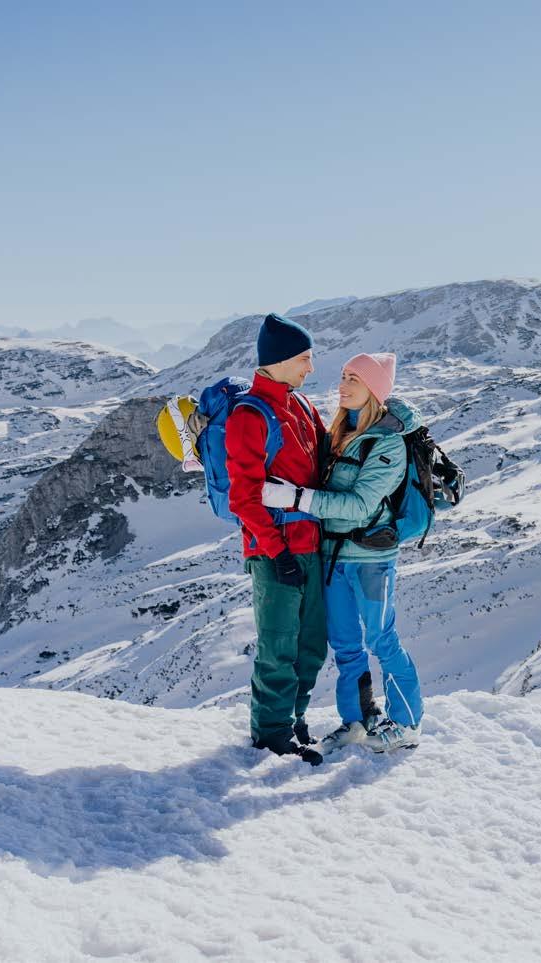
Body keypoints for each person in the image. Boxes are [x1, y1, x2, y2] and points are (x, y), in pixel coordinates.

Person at [261, 351, 424, 754]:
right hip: (333, 556)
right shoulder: (338, 434)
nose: (343, 385)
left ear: (374, 389)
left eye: (354, 378)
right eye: (344, 375)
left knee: (382, 640)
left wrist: (296, 498)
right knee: (346, 645)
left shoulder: (387, 444)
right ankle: (356, 720)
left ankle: (407, 724)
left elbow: (359, 506)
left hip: (371, 560)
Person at [225, 312, 328, 765]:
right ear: (281, 360)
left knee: (311, 643)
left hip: (313, 545)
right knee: (279, 646)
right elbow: (243, 497)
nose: (310, 367)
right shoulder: (250, 415)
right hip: (276, 552)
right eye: (305, 358)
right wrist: (276, 551)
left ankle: (294, 720)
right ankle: (271, 735)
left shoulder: (301, 405)